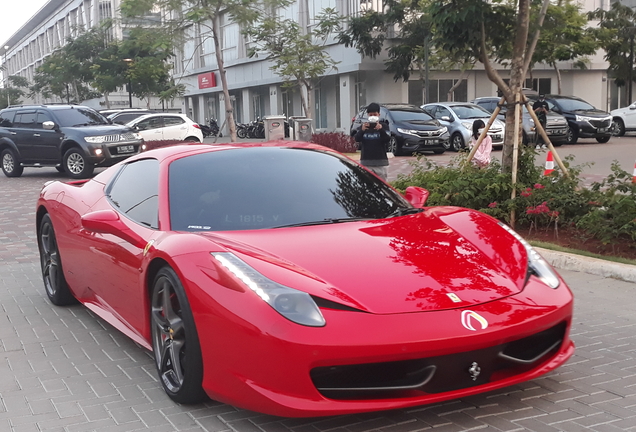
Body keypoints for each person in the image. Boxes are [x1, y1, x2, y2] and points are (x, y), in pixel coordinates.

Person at [354, 102, 391, 181]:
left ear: (379, 114)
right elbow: (357, 139)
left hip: (381, 163)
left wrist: (381, 130)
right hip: (366, 162)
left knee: (382, 186)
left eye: (375, 114)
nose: (372, 116)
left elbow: (387, 139)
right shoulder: (364, 126)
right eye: (370, 115)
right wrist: (362, 130)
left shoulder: (384, 126)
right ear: (367, 115)